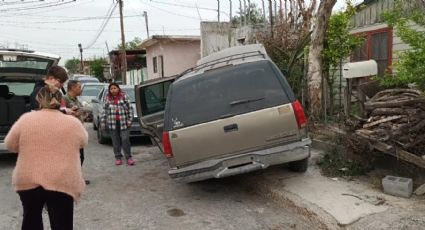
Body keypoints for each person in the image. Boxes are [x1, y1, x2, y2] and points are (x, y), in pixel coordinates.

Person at [4, 86, 88, 230]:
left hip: (28, 179)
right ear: (60, 101)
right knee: (62, 223)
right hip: (62, 179)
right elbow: (82, 142)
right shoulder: (72, 122)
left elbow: (10, 144)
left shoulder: (26, 120)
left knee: (31, 220)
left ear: (38, 100)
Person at [100, 82, 135, 166]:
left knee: (125, 139)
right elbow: (104, 110)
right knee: (115, 141)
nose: (113, 90)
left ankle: (129, 157)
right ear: (109, 90)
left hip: (124, 122)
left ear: (118, 88)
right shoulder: (107, 97)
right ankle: (118, 157)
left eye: (115, 88)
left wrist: (130, 120)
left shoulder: (124, 96)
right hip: (112, 123)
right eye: (111, 89)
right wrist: (103, 122)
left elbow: (130, 108)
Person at [63, 80, 90, 185]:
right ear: (72, 88)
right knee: (73, 157)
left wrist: (81, 115)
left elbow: (79, 113)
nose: (80, 89)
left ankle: (76, 178)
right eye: (79, 87)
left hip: (77, 131)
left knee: (80, 157)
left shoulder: (76, 99)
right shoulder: (64, 99)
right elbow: (60, 114)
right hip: (69, 132)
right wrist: (72, 113)